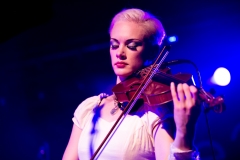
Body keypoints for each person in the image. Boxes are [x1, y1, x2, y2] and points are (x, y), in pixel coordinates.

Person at [62, 8, 201, 160]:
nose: (119, 53)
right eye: (114, 45)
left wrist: (183, 133)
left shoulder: (154, 115)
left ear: (152, 52)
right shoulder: (89, 109)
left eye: (132, 45)